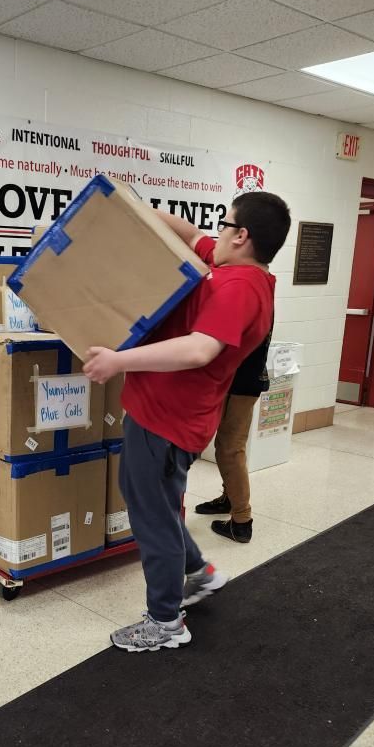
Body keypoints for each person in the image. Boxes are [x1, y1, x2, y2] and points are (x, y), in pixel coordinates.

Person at [82, 192, 291, 653]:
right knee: (156, 503)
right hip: (163, 414)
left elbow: (199, 350)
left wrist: (118, 360)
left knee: (153, 517)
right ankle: (198, 573)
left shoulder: (240, 288)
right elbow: (191, 234)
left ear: (242, 236)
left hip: (168, 421)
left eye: (225, 224)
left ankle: (165, 622)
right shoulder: (231, 267)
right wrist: (125, 206)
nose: (217, 232)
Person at [194, 327, 272, 543]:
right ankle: (230, 499)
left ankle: (241, 521)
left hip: (242, 379)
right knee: (226, 445)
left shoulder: (249, 304)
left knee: (230, 449)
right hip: (241, 377)